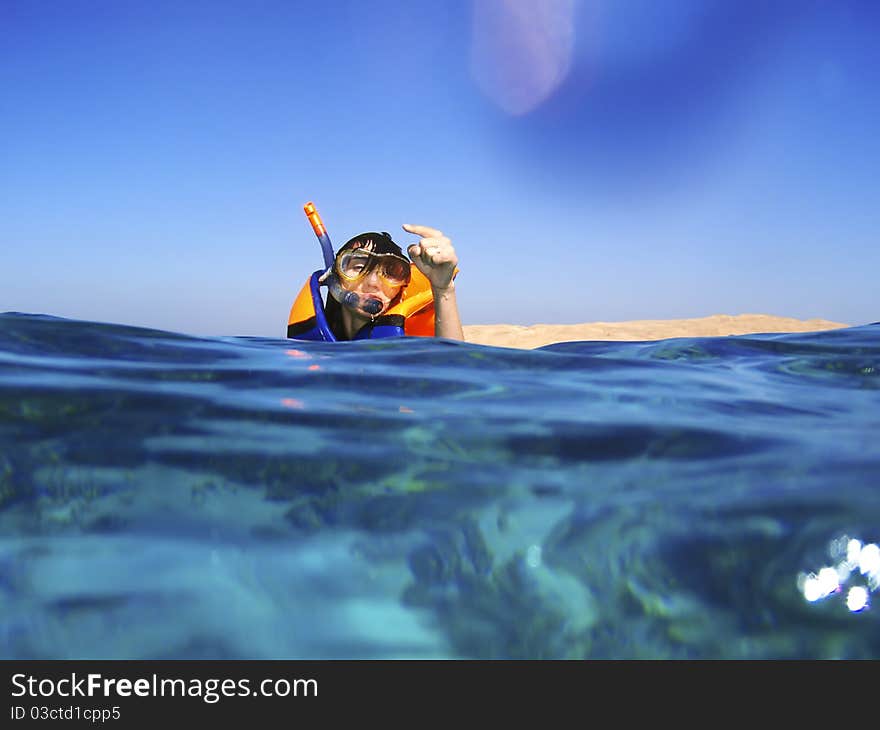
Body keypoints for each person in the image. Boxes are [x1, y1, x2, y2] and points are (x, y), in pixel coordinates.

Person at [322, 224, 464, 341]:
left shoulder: (407, 348)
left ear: (402, 285)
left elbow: (455, 367)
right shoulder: (307, 340)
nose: (373, 282)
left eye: (390, 273)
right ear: (334, 277)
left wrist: (443, 290)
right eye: (359, 267)